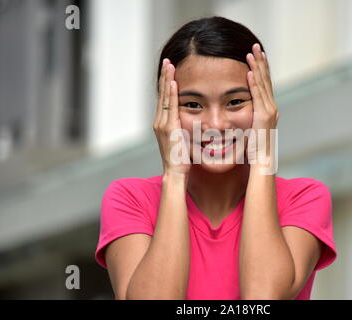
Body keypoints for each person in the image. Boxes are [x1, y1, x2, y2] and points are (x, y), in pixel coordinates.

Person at [94, 16, 337, 300]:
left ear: (264, 103)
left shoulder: (304, 198)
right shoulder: (129, 199)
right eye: (193, 105)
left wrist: (263, 155)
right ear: (165, 109)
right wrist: (174, 177)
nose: (215, 124)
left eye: (234, 102)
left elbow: (263, 300)